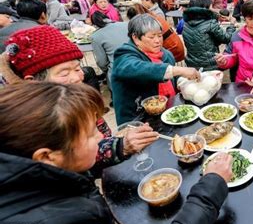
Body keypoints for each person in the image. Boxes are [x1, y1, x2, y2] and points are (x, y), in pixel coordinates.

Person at [0, 82, 234, 224]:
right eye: (91, 134)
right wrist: (212, 183)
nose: (102, 136)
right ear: (46, 157)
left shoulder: (22, 179)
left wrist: (122, 146)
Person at [1, 25, 158, 170]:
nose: (77, 77)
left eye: (77, 68)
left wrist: (120, 144)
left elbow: (94, 143)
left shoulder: (69, 99)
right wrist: (120, 146)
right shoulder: (34, 126)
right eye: (64, 72)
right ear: (33, 82)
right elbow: (76, 158)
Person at [111, 14, 201, 124]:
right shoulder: (124, 54)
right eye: (151, 37)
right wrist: (178, 70)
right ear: (135, 38)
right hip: (137, 119)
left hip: (167, 113)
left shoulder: (165, 54)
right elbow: (137, 68)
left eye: (159, 35)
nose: (158, 40)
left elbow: (173, 79)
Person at [182, 0, 236, 71]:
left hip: (191, 64)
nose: (213, 9)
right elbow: (227, 38)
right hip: (210, 64)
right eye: (211, 7)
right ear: (204, 9)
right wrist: (231, 25)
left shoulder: (186, 25)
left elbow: (204, 41)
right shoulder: (210, 23)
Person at [90, 12, 128, 85]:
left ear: (94, 24)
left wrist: (106, 71)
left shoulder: (95, 36)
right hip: (137, 63)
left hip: (117, 72)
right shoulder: (125, 24)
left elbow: (102, 62)